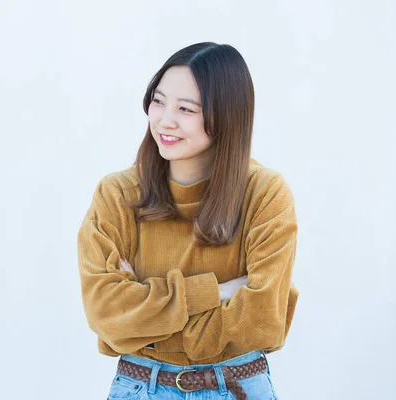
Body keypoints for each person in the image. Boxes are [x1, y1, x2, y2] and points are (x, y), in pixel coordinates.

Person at [77, 42, 298, 400]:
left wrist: (144, 322)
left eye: (186, 109)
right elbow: (106, 313)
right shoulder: (117, 194)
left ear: (226, 116)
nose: (165, 120)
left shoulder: (265, 193)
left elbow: (262, 321)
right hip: (141, 387)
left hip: (236, 387)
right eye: (159, 101)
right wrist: (219, 291)